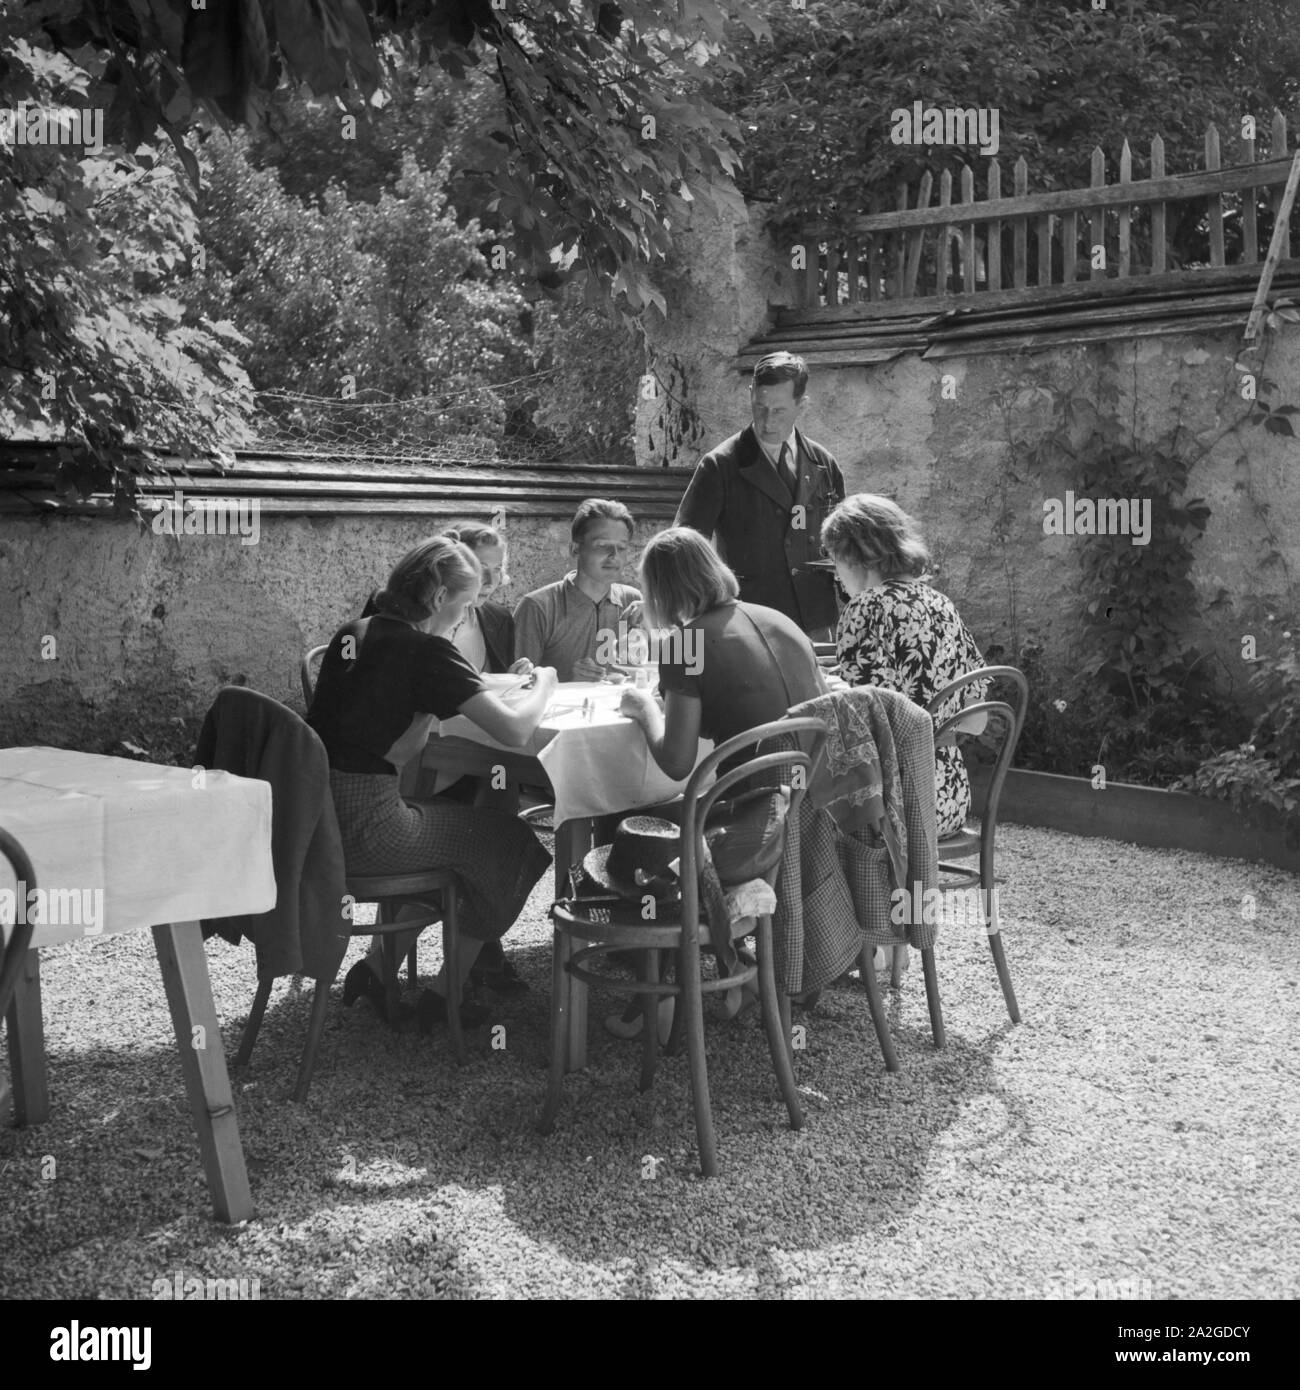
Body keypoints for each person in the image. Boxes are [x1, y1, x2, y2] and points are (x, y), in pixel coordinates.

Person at [306, 536, 558, 1031]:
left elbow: (405, 737)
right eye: (464, 607)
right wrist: (546, 682)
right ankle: (445, 999)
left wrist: (441, 690)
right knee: (509, 840)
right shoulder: (424, 651)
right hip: (372, 830)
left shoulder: (355, 631)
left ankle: (379, 972)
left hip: (320, 822)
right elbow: (516, 729)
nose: (465, 619)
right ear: (441, 598)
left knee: (466, 835)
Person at [613, 527, 829, 1034]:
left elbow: (675, 761)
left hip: (747, 828)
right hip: (805, 811)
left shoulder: (686, 643)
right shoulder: (779, 620)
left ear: (662, 591)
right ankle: (735, 976)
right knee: (667, 820)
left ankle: (658, 998)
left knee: (634, 833)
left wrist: (645, 707)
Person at [820, 494, 988, 836]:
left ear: (856, 555)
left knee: (800, 813)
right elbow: (977, 720)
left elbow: (857, 729)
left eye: (835, 562)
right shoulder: (943, 604)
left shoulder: (864, 608)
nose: (836, 577)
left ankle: (855, 889)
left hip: (897, 804)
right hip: (949, 800)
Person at [675, 351, 845, 637]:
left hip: (817, 624)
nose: (767, 421)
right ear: (751, 394)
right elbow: (684, 550)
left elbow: (844, 548)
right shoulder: (720, 466)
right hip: (749, 624)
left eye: (778, 411)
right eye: (759, 407)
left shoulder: (824, 464)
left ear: (801, 405)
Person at [512, 498, 643, 681]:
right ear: (575, 548)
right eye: (602, 545)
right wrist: (568, 681)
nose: (614, 555)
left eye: (621, 547)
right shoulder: (538, 607)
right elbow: (514, 686)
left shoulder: (633, 601)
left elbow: (667, 668)